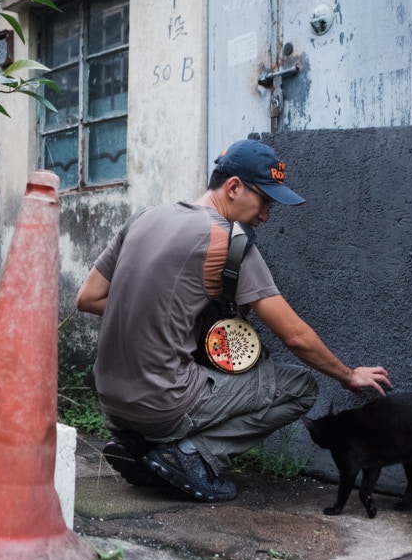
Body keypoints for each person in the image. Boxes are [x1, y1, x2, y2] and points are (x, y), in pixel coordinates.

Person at [76, 138, 392, 503]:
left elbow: (89, 297)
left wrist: (172, 316)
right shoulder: (230, 241)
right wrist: (349, 374)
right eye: (265, 202)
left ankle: (138, 443)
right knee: (301, 386)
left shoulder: (144, 217)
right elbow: (295, 337)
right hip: (162, 403)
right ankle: (192, 455)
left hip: (111, 400)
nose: (266, 216)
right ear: (234, 187)